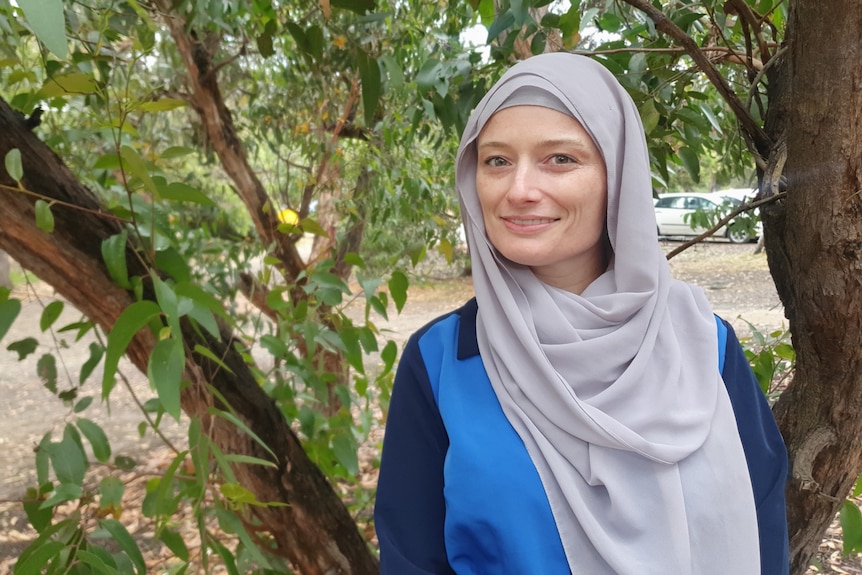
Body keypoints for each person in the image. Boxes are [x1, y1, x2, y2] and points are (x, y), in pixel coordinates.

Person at [374, 52, 789, 575]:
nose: (520, 189)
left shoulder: (703, 344)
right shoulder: (442, 361)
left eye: (560, 159)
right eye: (497, 160)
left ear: (618, 177)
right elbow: (412, 556)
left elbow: (763, 528)